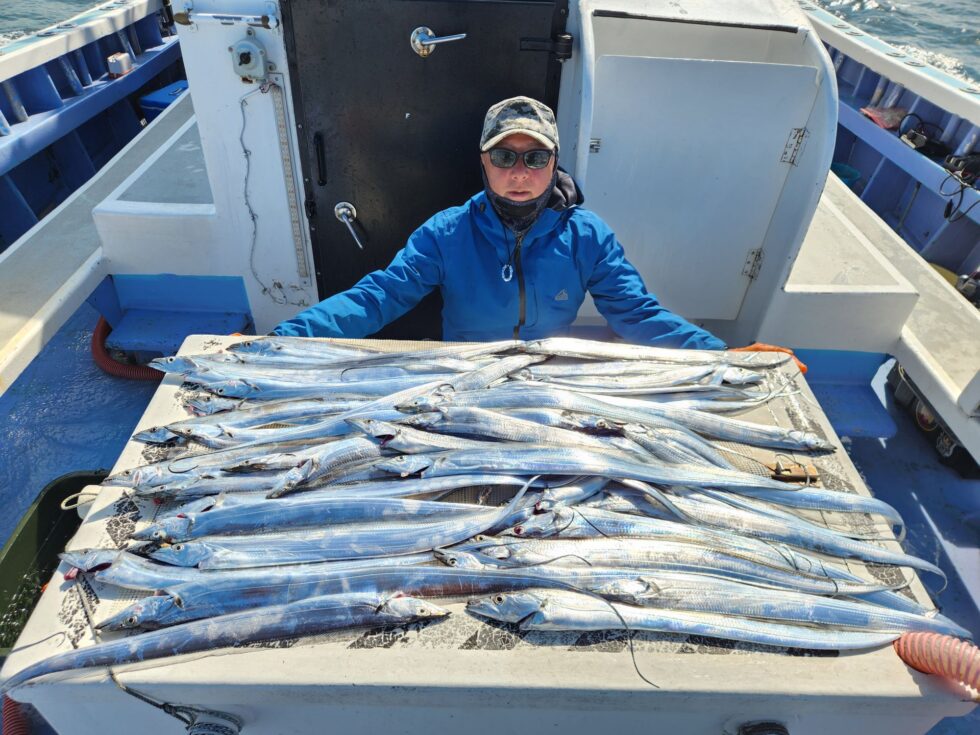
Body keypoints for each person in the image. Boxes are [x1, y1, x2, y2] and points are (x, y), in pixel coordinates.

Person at [274, 96, 803, 369]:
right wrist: (280, 344)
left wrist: (722, 357)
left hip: (549, 374)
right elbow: (378, 297)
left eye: (535, 157)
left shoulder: (588, 236)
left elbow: (638, 314)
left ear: (554, 162)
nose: (519, 172)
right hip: (463, 375)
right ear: (483, 162)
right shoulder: (447, 233)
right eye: (504, 156)